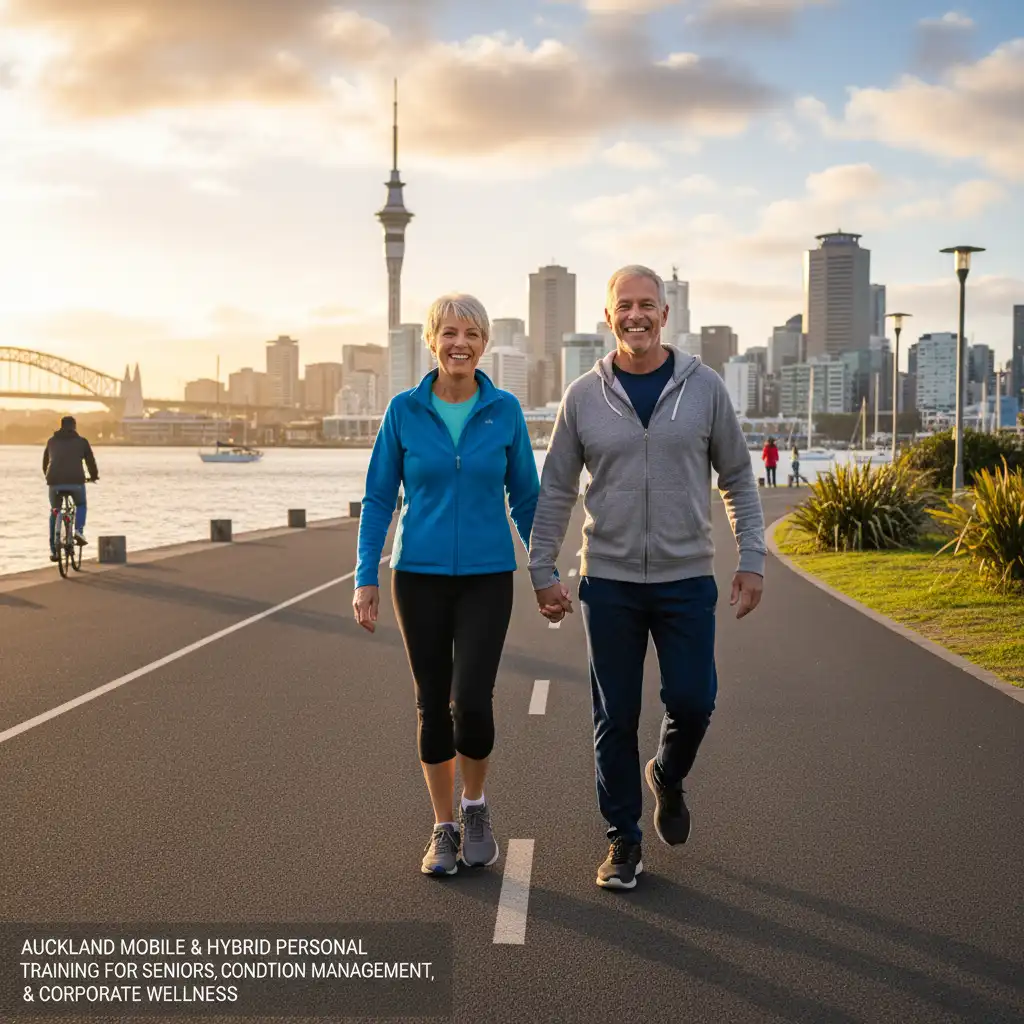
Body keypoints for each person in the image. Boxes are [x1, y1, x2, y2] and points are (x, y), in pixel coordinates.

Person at [528, 265, 766, 891]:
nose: (635, 316)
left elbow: (738, 477)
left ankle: (668, 772)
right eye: (623, 306)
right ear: (608, 318)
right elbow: (555, 489)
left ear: (665, 314)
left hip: (686, 577)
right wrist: (542, 568)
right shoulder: (582, 396)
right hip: (607, 581)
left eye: (647, 306)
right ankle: (623, 841)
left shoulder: (705, 387)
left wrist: (752, 558)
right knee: (615, 714)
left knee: (693, 699)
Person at [352, 293, 563, 877]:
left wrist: (544, 575)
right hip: (416, 577)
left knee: (470, 700)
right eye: (448, 332)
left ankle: (475, 807)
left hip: (487, 578)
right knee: (431, 705)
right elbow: (377, 499)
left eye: (471, 333)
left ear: (485, 343)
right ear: (432, 341)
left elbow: (526, 497)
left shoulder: (505, 411)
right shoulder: (403, 411)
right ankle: (443, 826)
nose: (459, 343)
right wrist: (365, 576)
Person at [43, 415, 99, 561]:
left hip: (54, 482)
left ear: (61, 426)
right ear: (74, 427)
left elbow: (45, 463)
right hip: (76, 482)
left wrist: (49, 477)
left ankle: (54, 550)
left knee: (55, 511)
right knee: (81, 504)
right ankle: (78, 531)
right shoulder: (82, 442)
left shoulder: (51, 441)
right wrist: (93, 476)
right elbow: (90, 461)